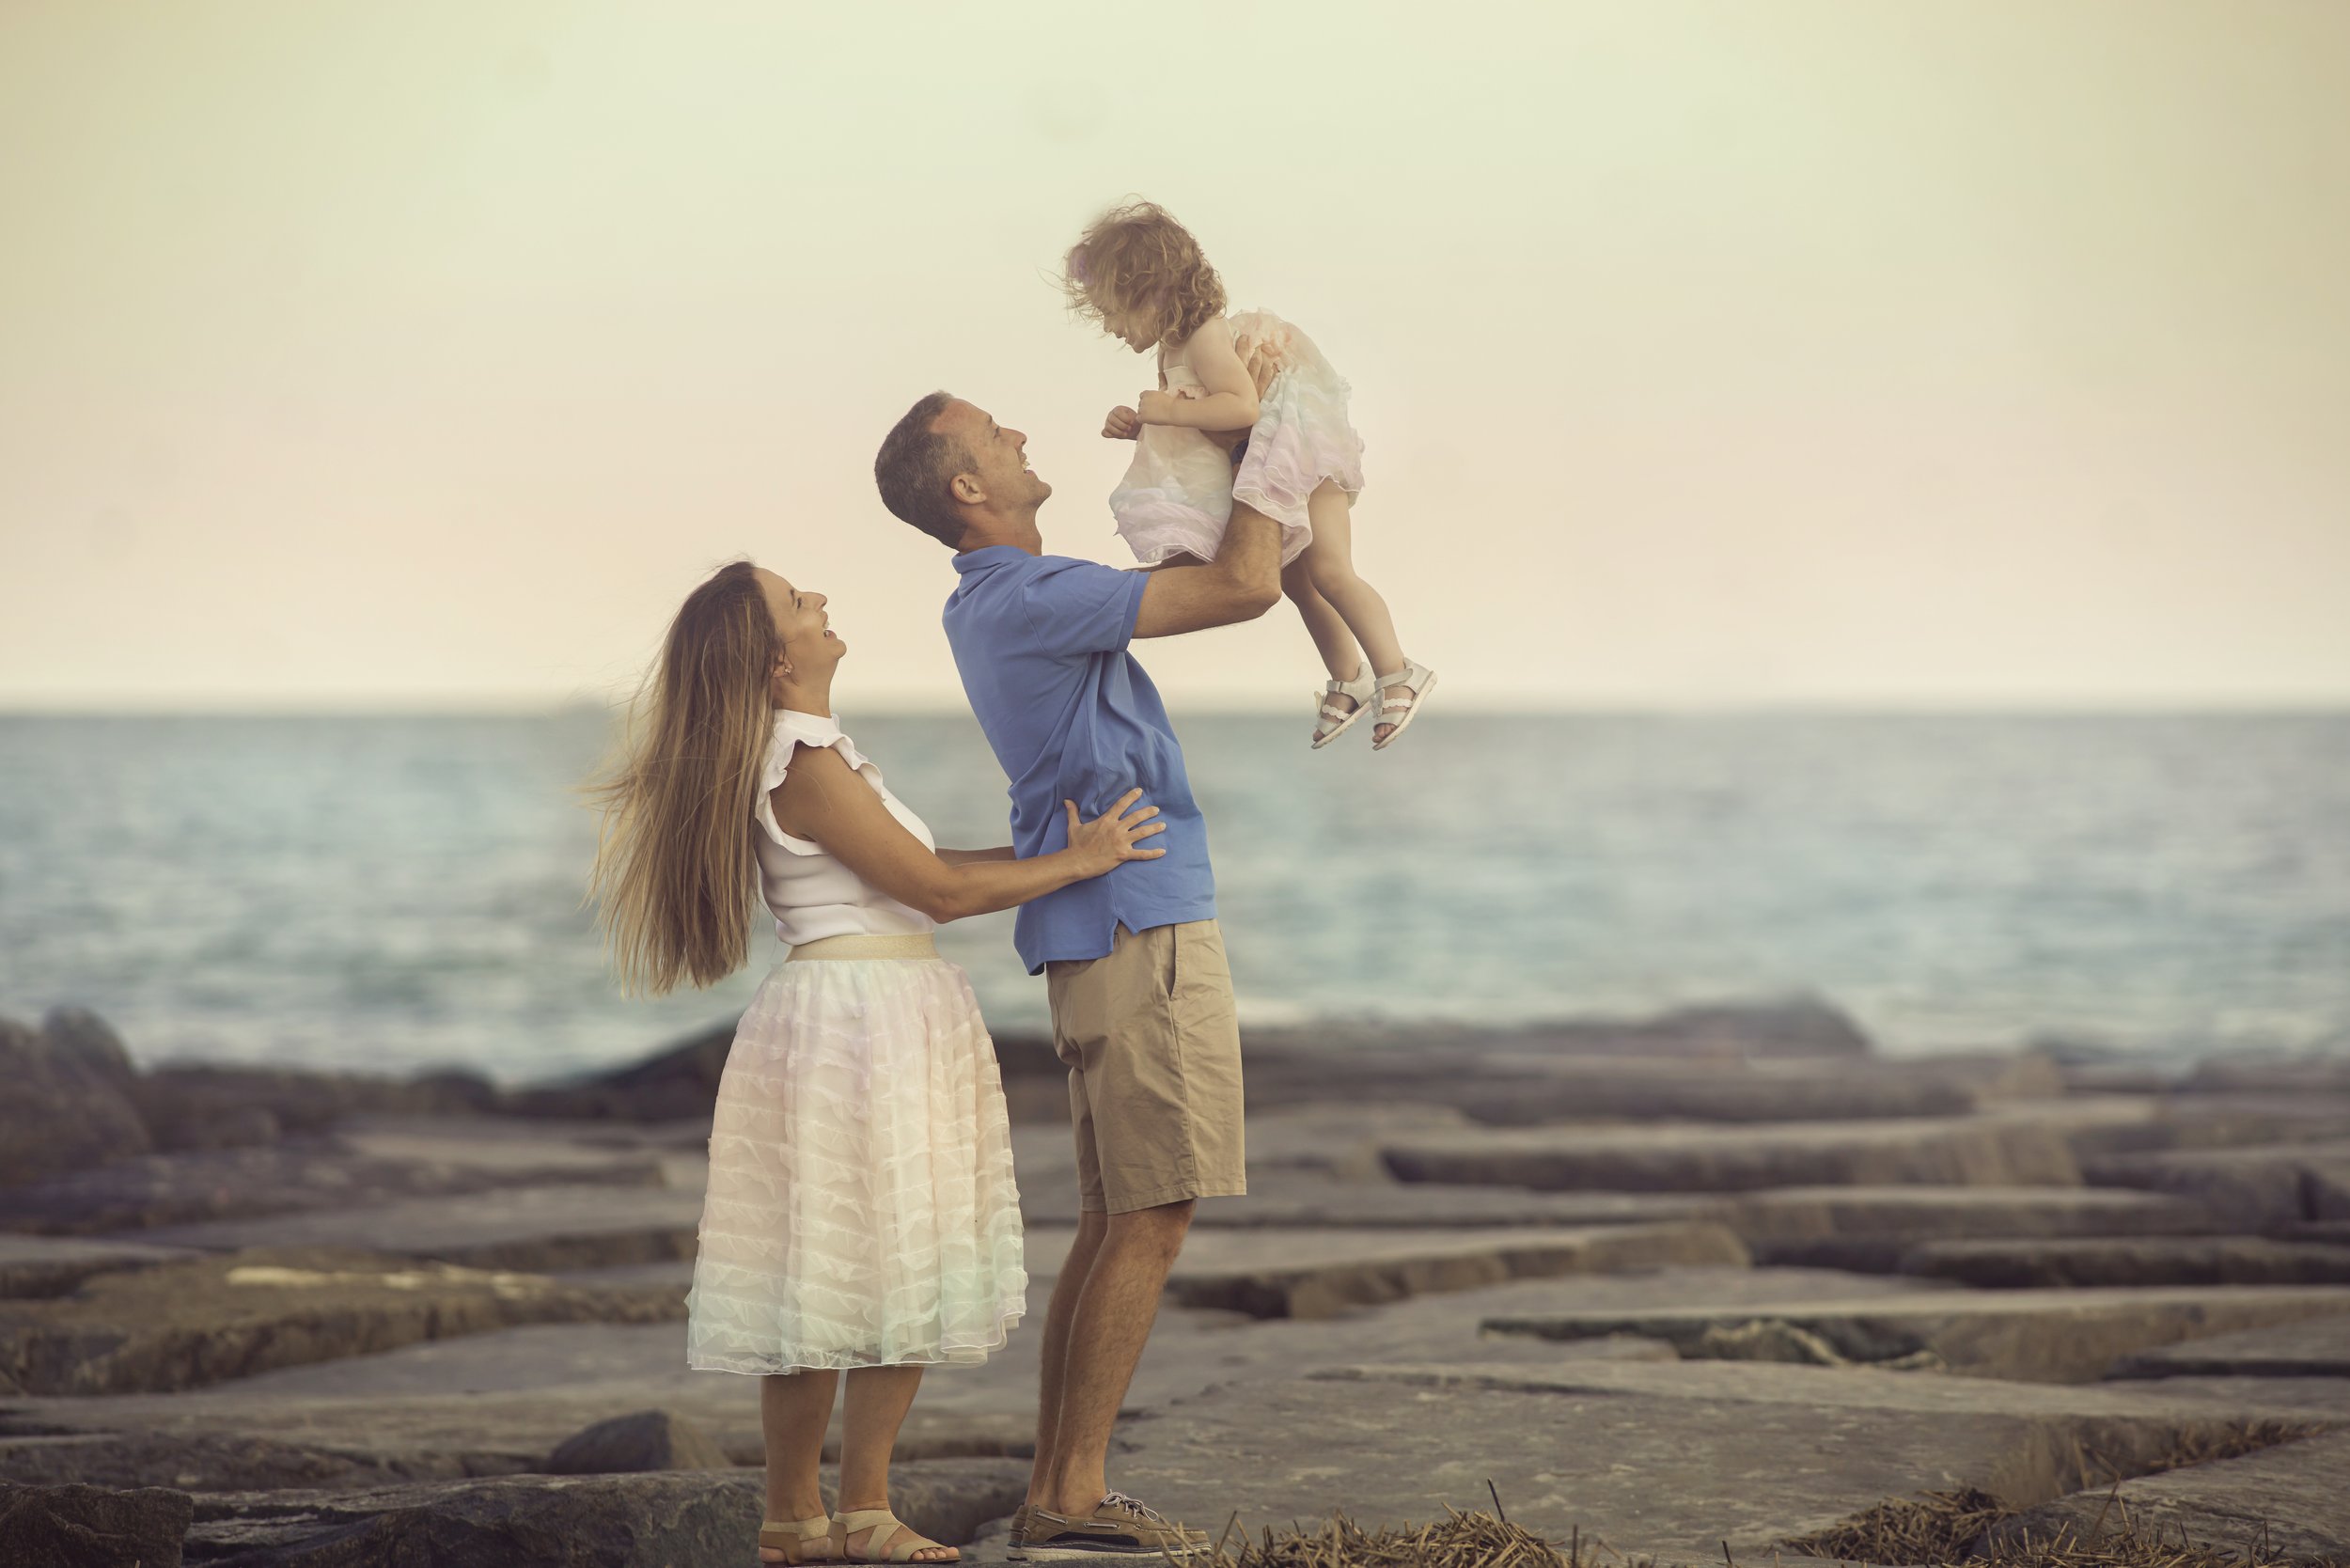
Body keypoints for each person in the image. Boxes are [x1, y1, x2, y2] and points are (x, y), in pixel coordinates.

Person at [587, 560, 1166, 1565]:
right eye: (793, 599)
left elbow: (921, 879)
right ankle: (835, 1515)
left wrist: (1049, 850)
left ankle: (821, 1519)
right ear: (775, 662)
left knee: (856, 1270)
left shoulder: (809, 755)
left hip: (866, 1008)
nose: (815, 597)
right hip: (863, 1022)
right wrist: (1085, 862)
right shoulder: (804, 758)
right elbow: (937, 896)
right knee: (856, 1268)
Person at [871, 360, 1277, 1560]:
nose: (1014, 430)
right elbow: (1247, 584)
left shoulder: (992, 599)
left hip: (1103, 927)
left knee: (1120, 1216)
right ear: (967, 483)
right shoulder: (1025, 595)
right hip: (1135, 922)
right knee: (1153, 1212)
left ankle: (1063, 1485)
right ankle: (1073, 1495)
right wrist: (1278, 434)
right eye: (991, 433)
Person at [1066, 198, 1436, 750]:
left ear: (1153, 292)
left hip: (1303, 455)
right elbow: (1198, 416)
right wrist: (1141, 425)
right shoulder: (1172, 350)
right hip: (1271, 461)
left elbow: (1241, 408)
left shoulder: (1205, 337)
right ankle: (1350, 677)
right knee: (1296, 580)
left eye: (1114, 312)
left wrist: (1166, 410)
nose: (1111, 328)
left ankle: (1399, 670)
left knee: (1331, 570)